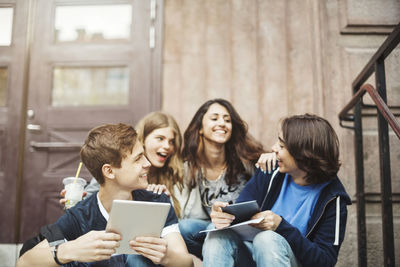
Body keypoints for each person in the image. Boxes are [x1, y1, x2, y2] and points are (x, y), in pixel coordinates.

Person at [17, 123, 193, 267]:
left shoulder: (157, 202)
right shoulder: (81, 215)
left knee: (138, 260)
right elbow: (24, 263)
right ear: (109, 171)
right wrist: (70, 250)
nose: (147, 163)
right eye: (138, 158)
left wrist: (166, 257)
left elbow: (186, 262)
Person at [202, 114, 352, 267]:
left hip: (292, 260)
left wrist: (281, 226)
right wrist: (225, 215)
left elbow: (325, 261)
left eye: (281, 145)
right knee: (217, 233)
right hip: (253, 255)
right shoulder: (271, 171)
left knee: (266, 238)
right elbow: (241, 212)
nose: (273, 148)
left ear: (303, 153)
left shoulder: (333, 198)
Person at [177, 98, 269, 259]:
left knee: (217, 229)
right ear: (200, 128)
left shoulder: (247, 161)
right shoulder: (191, 168)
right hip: (214, 229)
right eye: (214, 118)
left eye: (227, 120)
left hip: (248, 237)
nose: (222, 123)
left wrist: (271, 156)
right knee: (184, 227)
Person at [60, 112, 186, 218]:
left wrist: (166, 201)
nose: (167, 146)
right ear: (143, 138)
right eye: (160, 138)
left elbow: (177, 221)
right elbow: (87, 204)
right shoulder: (116, 168)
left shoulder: (175, 172)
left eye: (172, 142)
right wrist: (77, 202)